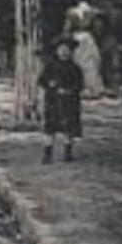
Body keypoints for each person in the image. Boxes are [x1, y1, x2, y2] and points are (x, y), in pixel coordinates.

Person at [38, 34, 84, 163]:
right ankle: (47, 153)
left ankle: (67, 152)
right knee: (50, 127)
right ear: (56, 51)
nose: (64, 52)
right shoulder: (50, 67)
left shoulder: (75, 68)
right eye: (61, 50)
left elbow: (79, 84)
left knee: (69, 128)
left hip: (70, 102)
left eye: (67, 50)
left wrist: (70, 90)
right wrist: (50, 85)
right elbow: (42, 81)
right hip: (53, 101)